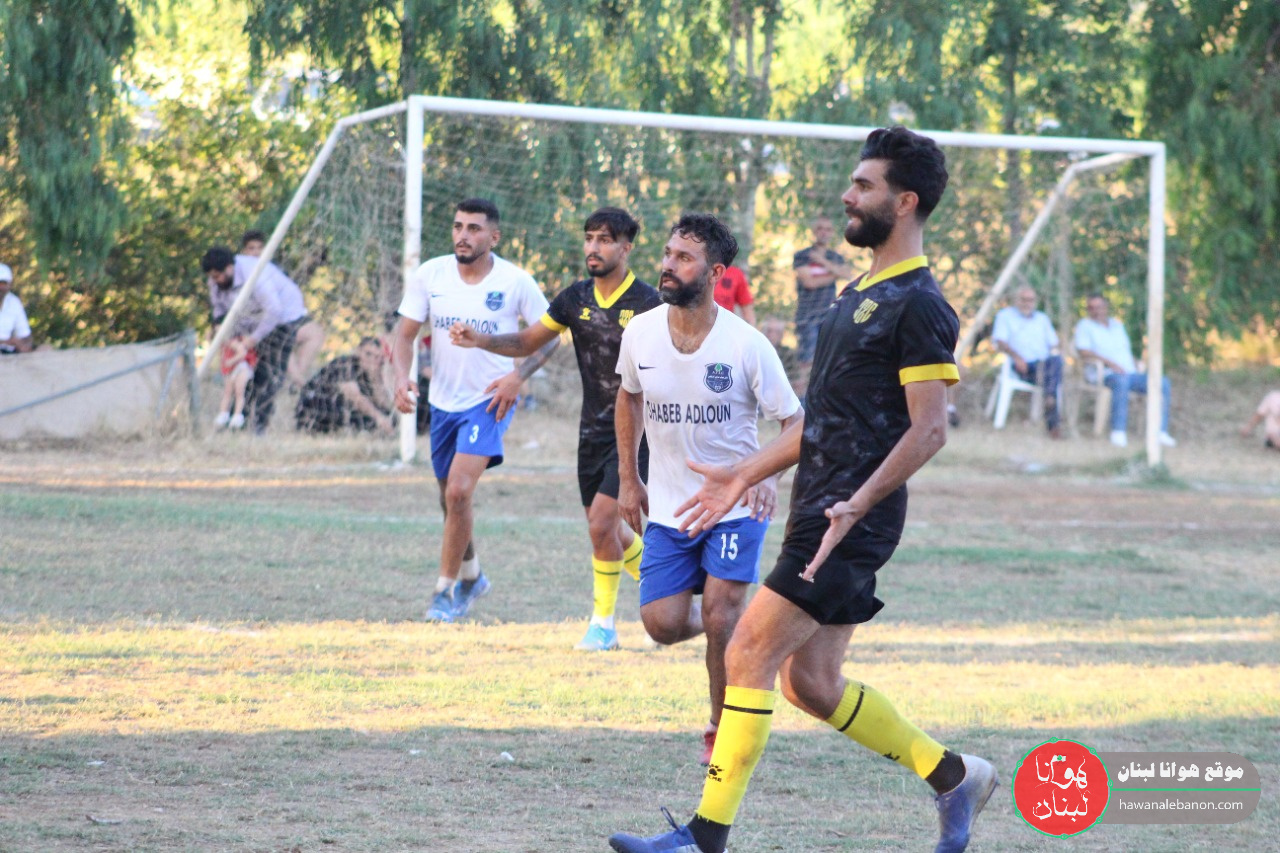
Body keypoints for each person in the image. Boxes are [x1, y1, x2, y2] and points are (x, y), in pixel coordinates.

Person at [609, 128, 995, 853]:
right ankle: (954, 776)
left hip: (848, 521)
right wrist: (744, 473)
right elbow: (819, 422)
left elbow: (930, 430)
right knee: (811, 683)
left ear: (904, 202)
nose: (848, 196)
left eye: (864, 185)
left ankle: (703, 838)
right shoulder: (855, 294)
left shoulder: (918, 303)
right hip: (821, 509)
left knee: (747, 651)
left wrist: (859, 501)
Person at [615, 212, 802, 766]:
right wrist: (629, 477)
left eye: (684, 258)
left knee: (720, 614)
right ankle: (740, 627)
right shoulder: (641, 332)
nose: (668, 265)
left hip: (736, 506)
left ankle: (720, 728)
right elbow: (628, 396)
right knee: (662, 625)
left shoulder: (747, 345)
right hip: (670, 504)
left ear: (716, 273)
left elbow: (796, 423)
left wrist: (765, 475)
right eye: (668, 254)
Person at [450, 207, 661, 651]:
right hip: (591, 433)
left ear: (626, 248)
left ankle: (603, 626)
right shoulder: (575, 298)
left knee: (601, 524)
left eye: (605, 240)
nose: (593, 247)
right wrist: (480, 340)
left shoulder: (649, 304)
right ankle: (664, 587)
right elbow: (528, 341)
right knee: (608, 531)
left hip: (639, 433)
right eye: (589, 238)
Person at [391, 198, 557, 623]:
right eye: (458, 226)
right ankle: (472, 575)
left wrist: (517, 377)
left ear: (493, 236)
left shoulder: (515, 282)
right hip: (442, 402)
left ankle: (443, 593)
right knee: (449, 499)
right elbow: (404, 335)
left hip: (489, 401)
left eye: (474, 228)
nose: (463, 235)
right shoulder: (431, 275)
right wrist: (401, 378)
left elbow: (552, 337)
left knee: (459, 491)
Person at [202, 246, 313, 433]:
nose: (216, 281)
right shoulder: (215, 281)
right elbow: (219, 311)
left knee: (269, 373)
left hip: (282, 318)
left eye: (218, 276)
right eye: (212, 277)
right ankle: (236, 421)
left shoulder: (255, 276)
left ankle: (258, 426)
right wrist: (226, 335)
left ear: (229, 268)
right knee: (242, 373)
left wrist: (252, 340)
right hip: (250, 321)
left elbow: (274, 311)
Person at [1072, 293, 1176, 448]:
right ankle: (1118, 431)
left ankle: (1160, 432)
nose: (1096, 311)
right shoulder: (1085, 326)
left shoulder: (1117, 325)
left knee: (1162, 382)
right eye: (1091, 308)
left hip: (1130, 372)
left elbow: (1124, 351)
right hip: (1105, 374)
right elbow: (1083, 351)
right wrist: (1110, 364)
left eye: (1099, 307)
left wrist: (1135, 362)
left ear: (1106, 307)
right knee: (1121, 381)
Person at [240, 229, 327, 389]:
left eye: (259, 248)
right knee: (282, 343)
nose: (256, 252)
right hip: (269, 325)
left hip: (288, 318)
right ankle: (301, 384)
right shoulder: (245, 273)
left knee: (316, 334)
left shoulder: (273, 269)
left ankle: (296, 381)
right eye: (251, 248)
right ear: (244, 251)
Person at [991, 285, 1065, 437]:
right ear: (1016, 300)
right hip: (1022, 366)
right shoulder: (1005, 316)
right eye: (1023, 299)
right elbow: (1000, 341)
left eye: (1030, 300)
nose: (1027, 303)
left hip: (1044, 365)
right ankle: (1052, 418)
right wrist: (1017, 357)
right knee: (1053, 377)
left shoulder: (1042, 319)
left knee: (1057, 360)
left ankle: (1050, 400)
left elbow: (1054, 343)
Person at [792, 216, 852, 397]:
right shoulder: (803, 255)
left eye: (828, 229)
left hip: (829, 315)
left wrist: (823, 261)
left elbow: (847, 274)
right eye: (820, 228)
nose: (824, 232)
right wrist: (834, 273)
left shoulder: (834, 256)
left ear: (832, 232)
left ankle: (823, 397)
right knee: (807, 361)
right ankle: (803, 401)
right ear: (814, 231)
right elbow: (809, 282)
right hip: (807, 316)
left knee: (828, 358)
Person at [295, 337, 395, 435]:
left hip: (336, 410)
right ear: (358, 351)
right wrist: (379, 418)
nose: (371, 359)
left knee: (388, 416)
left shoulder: (369, 372)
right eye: (368, 354)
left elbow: (382, 403)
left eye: (377, 357)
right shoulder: (345, 363)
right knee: (371, 415)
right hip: (314, 408)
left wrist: (375, 378)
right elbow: (354, 395)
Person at [214, 335, 256, 430]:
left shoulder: (232, 341)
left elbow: (242, 353)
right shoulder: (223, 341)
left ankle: (237, 416)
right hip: (229, 369)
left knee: (239, 392)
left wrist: (230, 361)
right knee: (227, 393)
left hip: (240, 367)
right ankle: (223, 414)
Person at [0, 263, 34, 355]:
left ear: (9, 285)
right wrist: (9, 342)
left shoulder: (14, 302)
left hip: (7, 352)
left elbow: (25, 335)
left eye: (2, 283)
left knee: (46, 348)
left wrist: (24, 346)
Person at [759, 316, 799, 387]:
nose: (772, 335)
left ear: (781, 335)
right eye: (769, 331)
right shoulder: (757, 352)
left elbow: (795, 378)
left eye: (777, 332)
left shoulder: (788, 353)